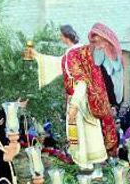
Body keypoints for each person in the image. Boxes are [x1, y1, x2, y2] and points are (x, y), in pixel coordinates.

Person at [30, 24, 118, 169]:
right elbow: (60, 64)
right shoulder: (76, 51)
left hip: (82, 101)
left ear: (66, 36)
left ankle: (89, 168)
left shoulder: (75, 53)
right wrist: (37, 56)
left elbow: (82, 81)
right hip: (82, 99)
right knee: (83, 134)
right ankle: (89, 167)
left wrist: (74, 105)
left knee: (86, 135)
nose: (59, 37)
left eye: (60, 35)